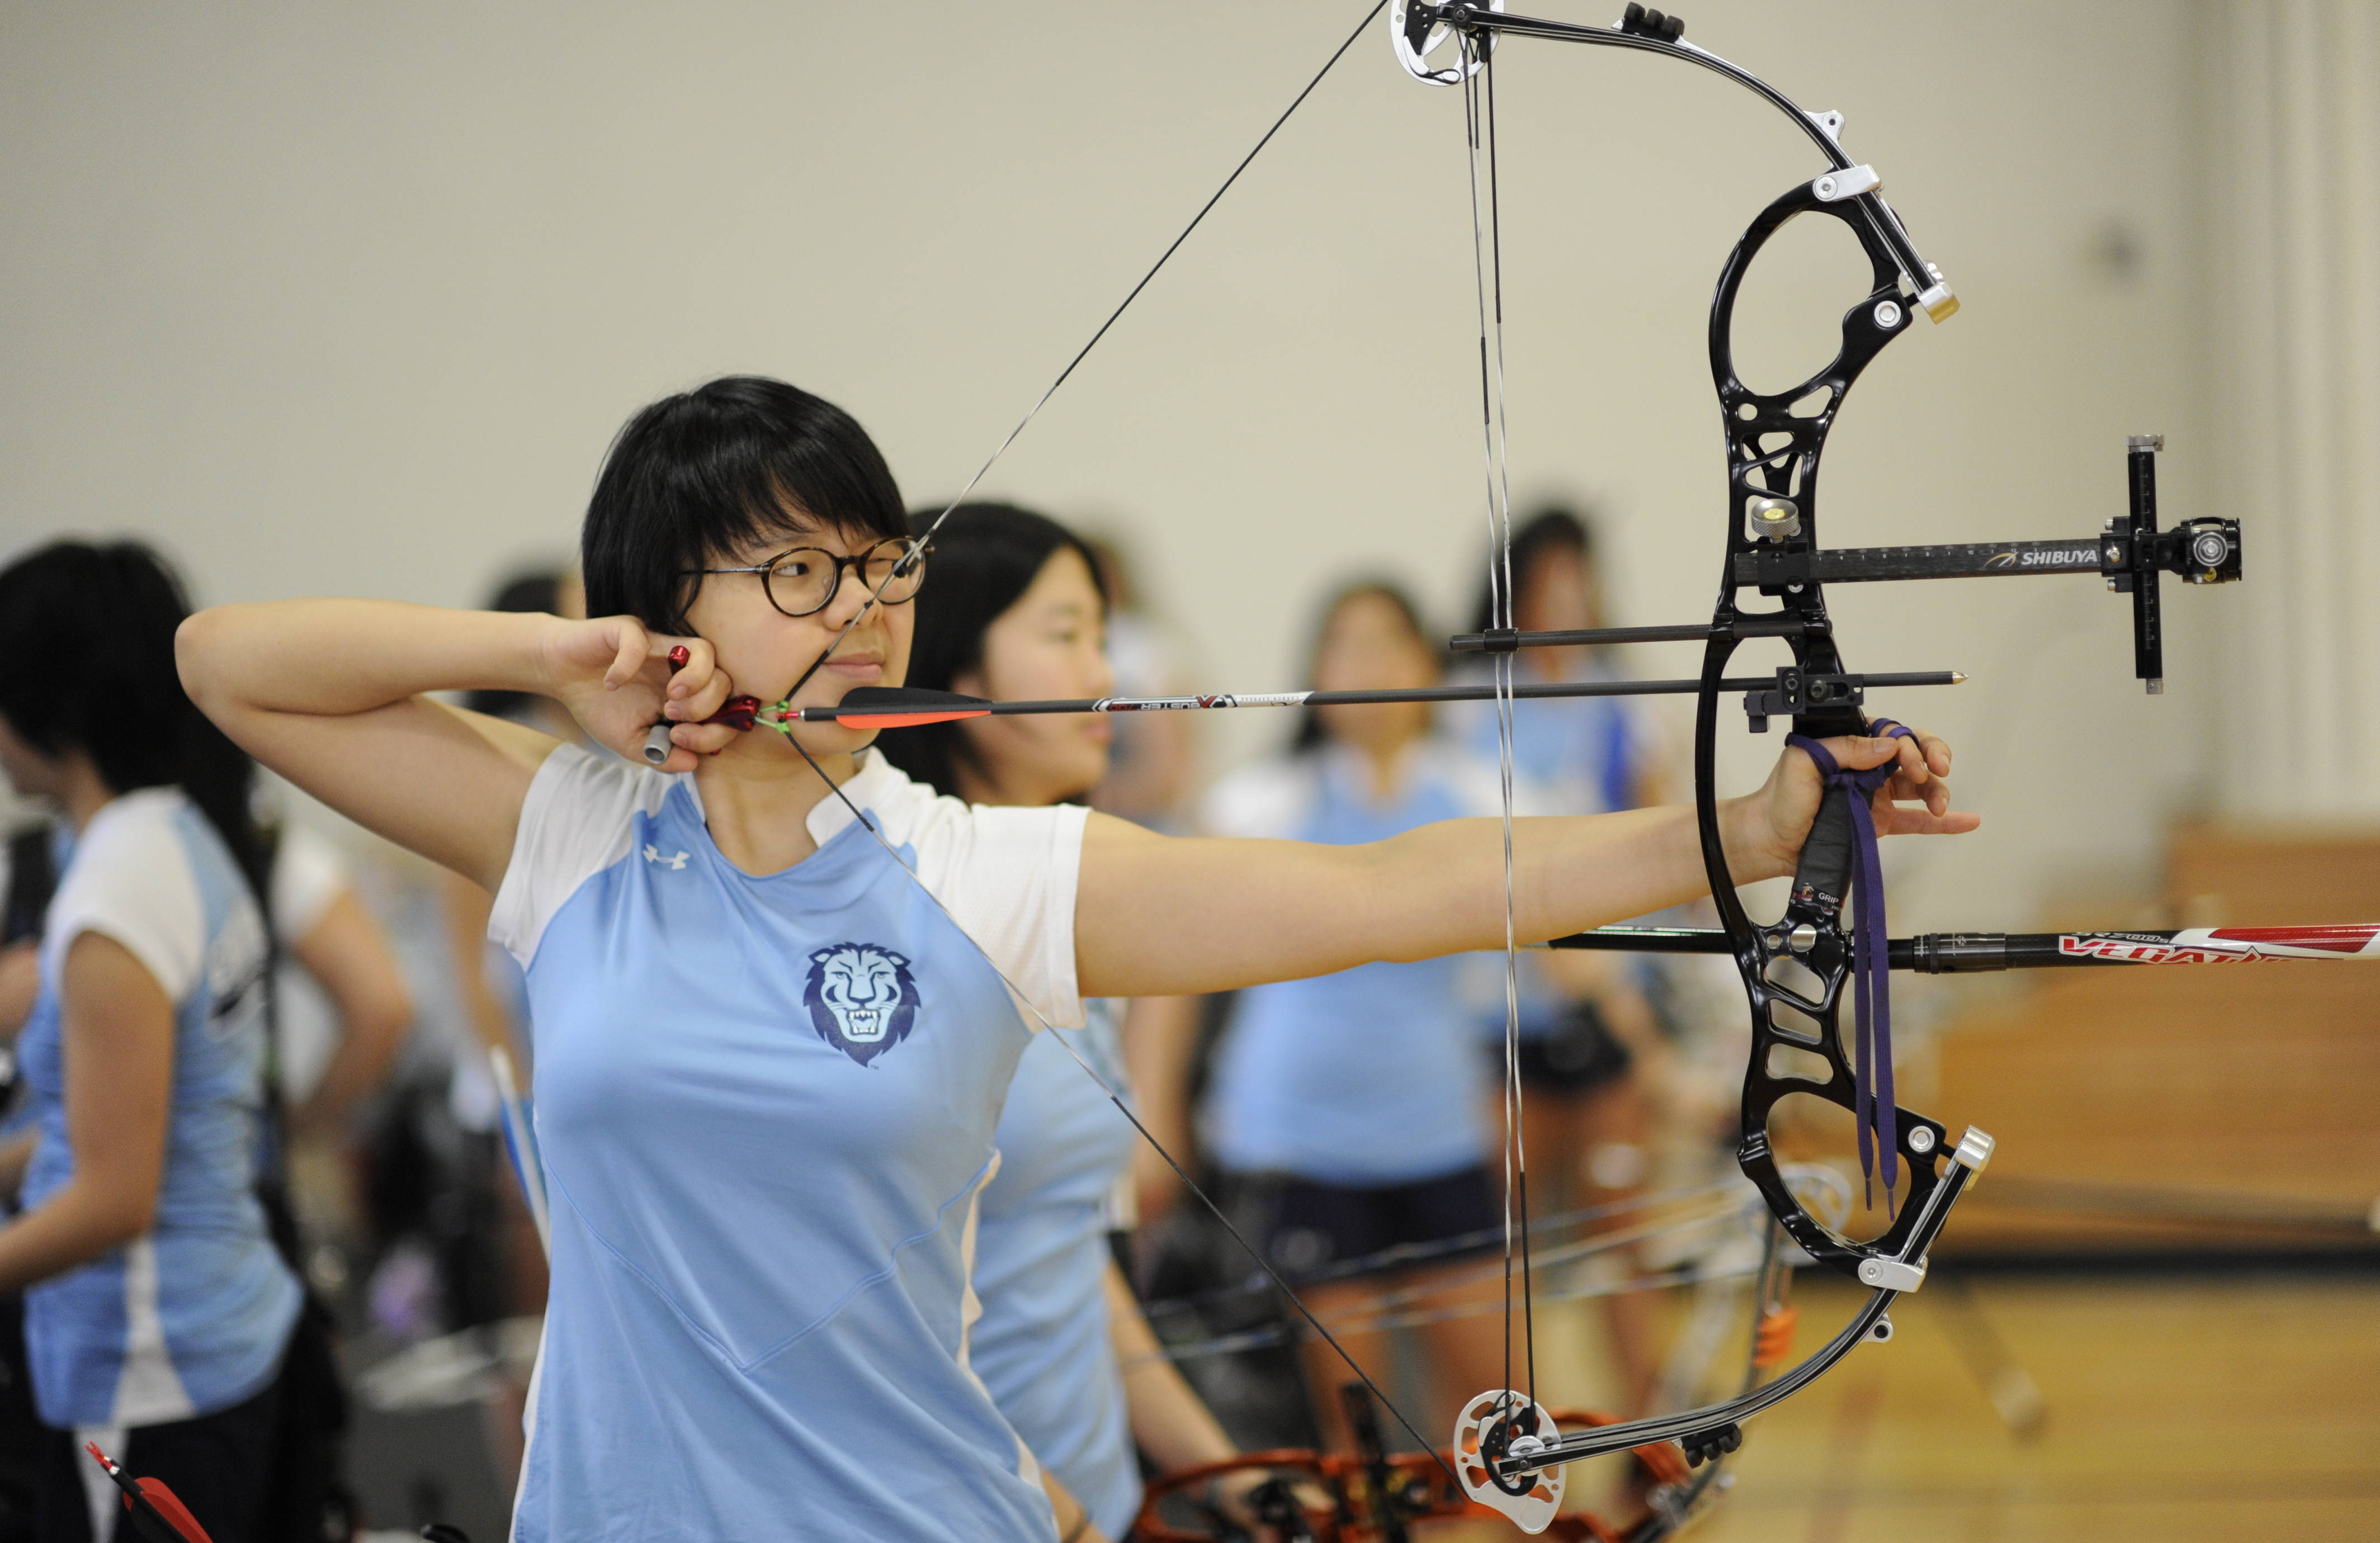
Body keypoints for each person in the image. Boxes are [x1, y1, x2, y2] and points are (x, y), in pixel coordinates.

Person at [174, 375, 1972, 1542]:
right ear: (674, 608)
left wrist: (1754, 827)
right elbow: (227, 662)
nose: (859, 606)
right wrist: (560, 655)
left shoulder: (991, 877)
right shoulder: (565, 831)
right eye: (793, 570)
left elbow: (1399, 890)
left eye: (873, 566)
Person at [874, 501, 1259, 1542]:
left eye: (1103, 635)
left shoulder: (1059, 901)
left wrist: (1226, 1474)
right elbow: (869, 1337)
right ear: (955, 674)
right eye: (1065, 636)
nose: (1105, 674)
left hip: (1093, 1503)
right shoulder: (894, 942)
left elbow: (1065, 1258)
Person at [0, 543, 318, 1542]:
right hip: (219, 1334)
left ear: (46, 704)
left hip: (151, 1375)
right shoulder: (177, 831)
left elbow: (112, 1195)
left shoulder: (109, 896)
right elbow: (129, 1121)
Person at [1197, 580, 1537, 1451]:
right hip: (1297, 1138)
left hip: (1435, 1130)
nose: (1370, 666)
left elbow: (1564, 957)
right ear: (1315, 671)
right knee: (1358, 1425)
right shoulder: (1257, 805)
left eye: (1389, 642)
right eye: (1345, 645)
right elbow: (1180, 979)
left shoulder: (1487, 796)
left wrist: (1650, 1057)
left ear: (1426, 662)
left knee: (1493, 1413)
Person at [1452, 507, 1678, 1407]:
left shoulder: (1619, 698)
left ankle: (1648, 1431)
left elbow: (1665, 841)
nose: (1564, 599)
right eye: (1546, 580)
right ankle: (1512, 1436)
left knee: (1621, 1223)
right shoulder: (1467, 696)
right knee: (1498, 1244)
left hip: (1613, 999)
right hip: (1502, 1015)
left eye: (1577, 579)